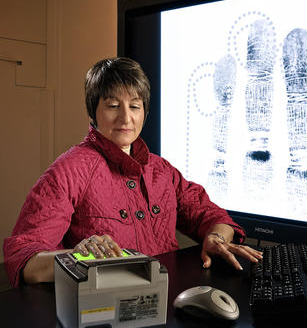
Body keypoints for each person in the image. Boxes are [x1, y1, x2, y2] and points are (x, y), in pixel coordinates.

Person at [3, 57, 262, 287]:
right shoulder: (68, 171)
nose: (126, 118)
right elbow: (24, 260)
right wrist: (77, 257)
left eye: (135, 106)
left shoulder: (161, 170)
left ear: (145, 112)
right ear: (93, 112)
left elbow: (211, 215)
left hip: (168, 301)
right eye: (113, 105)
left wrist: (216, 237)